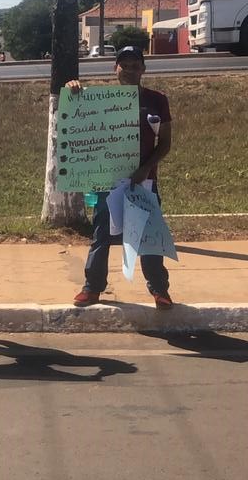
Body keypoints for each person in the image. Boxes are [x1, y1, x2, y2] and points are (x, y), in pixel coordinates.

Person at [67, 46, 175, 310]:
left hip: (144, 181)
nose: (129, 70)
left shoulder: (157, 100)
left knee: (149, 236)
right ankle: (92, 287)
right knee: (101, 233)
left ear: (143, 69)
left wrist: (145, 169)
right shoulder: (99, 100)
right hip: (109, 180)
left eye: (135, 65)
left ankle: (159, 289)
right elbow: (78, 119)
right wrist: (73, 92)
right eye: (123, 65)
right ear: (114, 68)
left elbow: (165, 143)